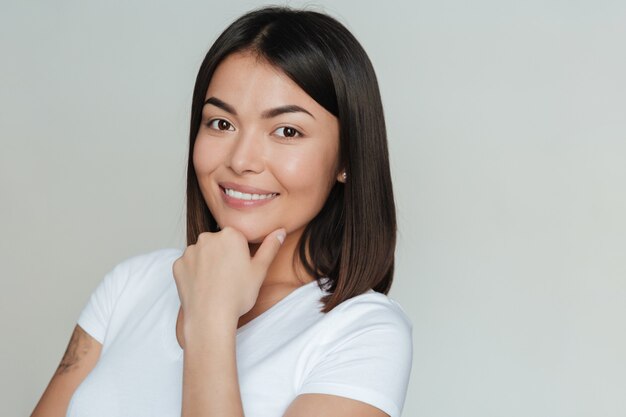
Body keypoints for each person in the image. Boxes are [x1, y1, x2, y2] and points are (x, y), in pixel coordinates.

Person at [31, 6, 412, 417]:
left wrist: (210, 319)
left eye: (287, 131)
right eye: (221, 124)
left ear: (346, 160)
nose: (242, 160)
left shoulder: (362, 333)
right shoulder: (131, 285)